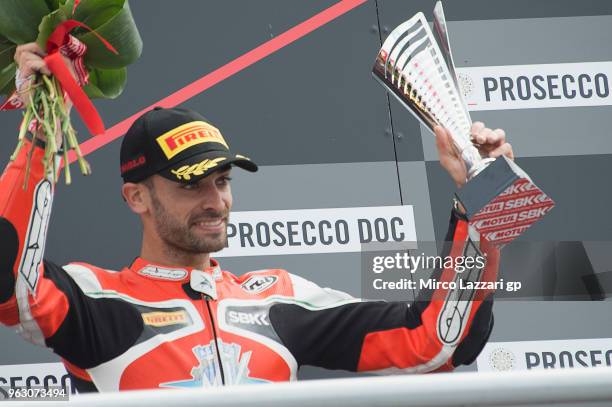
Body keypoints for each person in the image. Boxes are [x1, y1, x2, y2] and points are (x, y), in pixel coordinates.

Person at [0, 43, 512, 392]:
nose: (215, 201)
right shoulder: (98, 300)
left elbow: (436, 340)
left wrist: (481, 197)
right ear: (136, 197)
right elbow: (10, 283)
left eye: (222, 181)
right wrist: (42, 132)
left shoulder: (279, 300)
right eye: (191, 184)